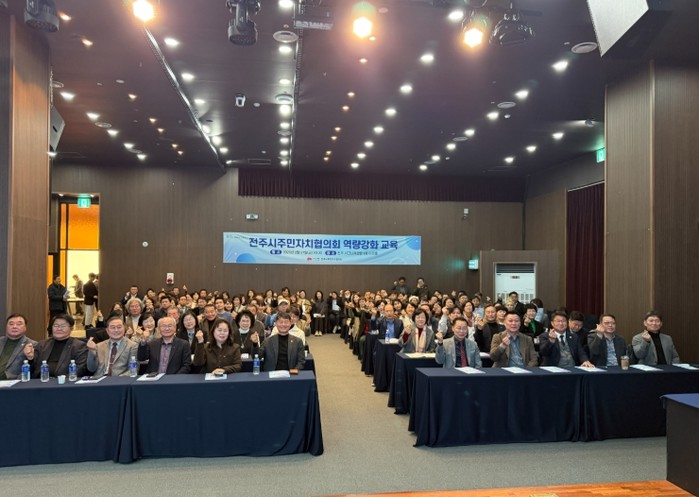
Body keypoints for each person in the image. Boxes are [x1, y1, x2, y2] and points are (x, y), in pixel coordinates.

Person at [0, 314, 37, 380]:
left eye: (19, 324)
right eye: (11, 324)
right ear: (6, 327)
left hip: (12, 381)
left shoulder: (32, 345)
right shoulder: (1, 341)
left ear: (25, 327)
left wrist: (30, 358)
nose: (14, 326)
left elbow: (35, 369)